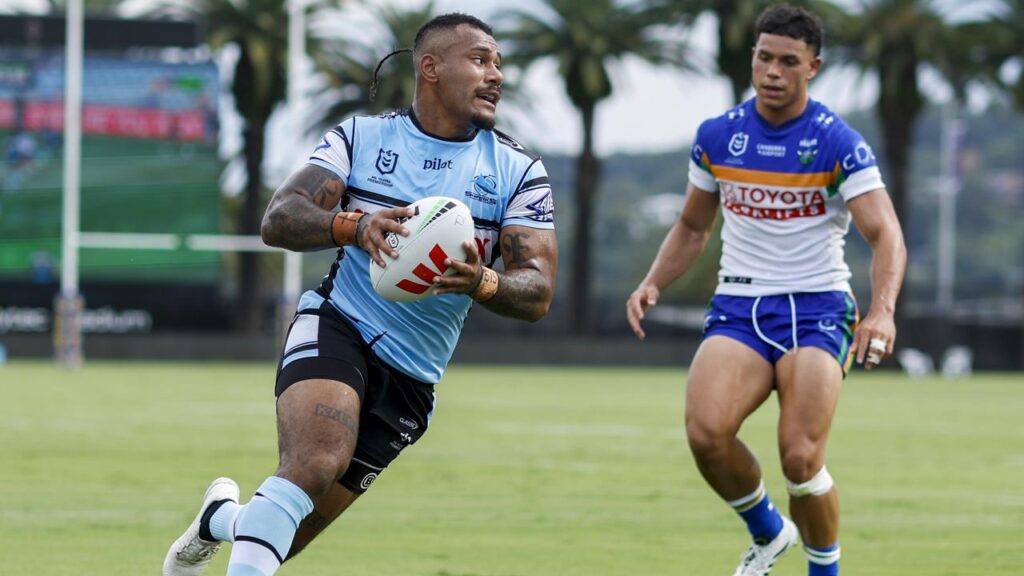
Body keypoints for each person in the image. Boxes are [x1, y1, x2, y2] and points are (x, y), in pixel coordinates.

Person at [163, 13, 557, 576]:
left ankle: (220, 519)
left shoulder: (519, 172)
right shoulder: (362, 138)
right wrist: (351, 226)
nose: (495, 75)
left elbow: (538, 290)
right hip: (339, 324)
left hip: (414, 377)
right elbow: (280, 218)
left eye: (498, 63)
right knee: (315, 462)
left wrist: (481, 281)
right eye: (479, 60)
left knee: (287, 532)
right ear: (430, 67)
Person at [626, 5, 905, 576]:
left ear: (813, 68)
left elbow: (887, 236)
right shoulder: (718, 135)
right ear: (751, 57)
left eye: (788, 62)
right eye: (763, 57)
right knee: (706, 433)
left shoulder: (838, 143)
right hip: (739, 306)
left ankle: (823, 571)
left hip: (817, 309)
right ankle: (769, 533)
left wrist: (882, 312)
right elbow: (693, 226)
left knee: (800, 459)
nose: (772, 72)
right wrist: (654, 281)